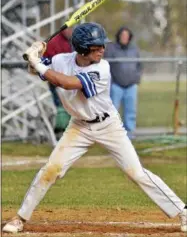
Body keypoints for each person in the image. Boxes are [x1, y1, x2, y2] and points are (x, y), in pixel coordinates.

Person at [2, 22, 187, 233]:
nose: (102, 50)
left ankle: (183, 211)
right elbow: (36, 70)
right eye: (96, 46)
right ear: (82, 49)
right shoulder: (61, 60)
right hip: (78, 127)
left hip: (109, 126)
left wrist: (39, 63)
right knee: (51, 170)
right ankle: (20, 217)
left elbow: (67, 83)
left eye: (102, 46)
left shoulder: (102, 68)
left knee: (136, 173)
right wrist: (34, 56)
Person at [104, 26, 142, 139]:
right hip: (116, 85)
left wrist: (137, 79)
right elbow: (106, 65)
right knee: (113, 110)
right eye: (122, 35)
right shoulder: (112, 49)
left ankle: (129, 134)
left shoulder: (134, 49)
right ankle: (113, 134)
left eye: (126, 36)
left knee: (131, 111)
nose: (124, 38)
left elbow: (140, 66)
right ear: (119, 36)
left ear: (129, 37)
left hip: (131, 86)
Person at [42, 29, 72, 134]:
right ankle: (61, 130)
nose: (70, 32)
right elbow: (46, 61)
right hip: (56, 79)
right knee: (60, 105)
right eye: (69, 29)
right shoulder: (54, 42)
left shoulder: (73, 41)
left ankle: (70, 130)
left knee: (71, 105)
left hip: (70, 80)